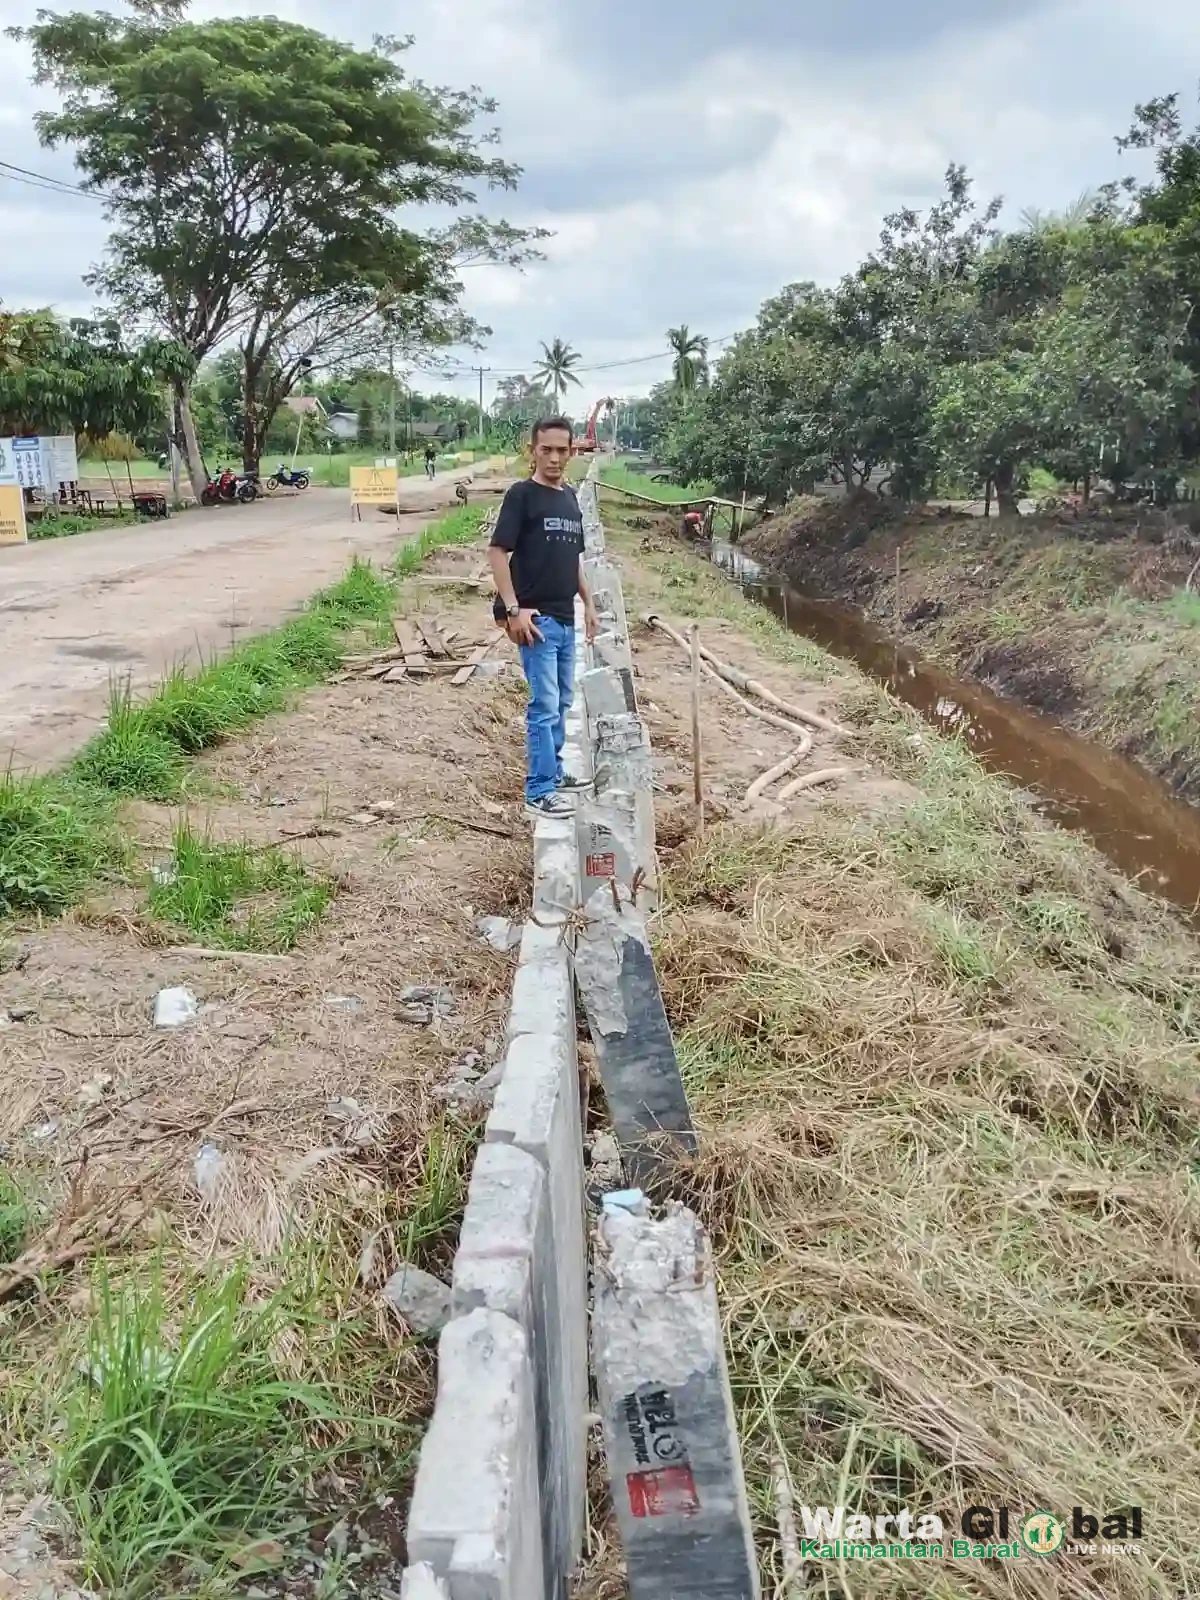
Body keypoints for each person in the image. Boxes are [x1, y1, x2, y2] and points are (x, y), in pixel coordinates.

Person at [488, 416, 599, 818]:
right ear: (532, 451)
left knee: (563, 700)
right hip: (536, 621)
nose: (554, 458)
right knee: (545, 705)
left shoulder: (569, 498)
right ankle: (539, 790)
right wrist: (513, 609)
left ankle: (554, 773)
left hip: (566, 617)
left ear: (572, 452)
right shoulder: (522, 495)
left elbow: (573, 559)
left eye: (561, 450)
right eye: (546, 449)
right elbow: (497, 552)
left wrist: (588, 604)